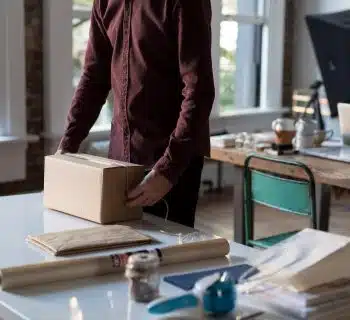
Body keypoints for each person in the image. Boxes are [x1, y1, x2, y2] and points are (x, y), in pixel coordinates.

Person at [57, 0, 215, 228]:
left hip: (169, 160)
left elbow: (199, 91)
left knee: (165, 259)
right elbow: (94, 77)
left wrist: (167, 171)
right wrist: (67, 147)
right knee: (121, 257)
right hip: (119, 162)